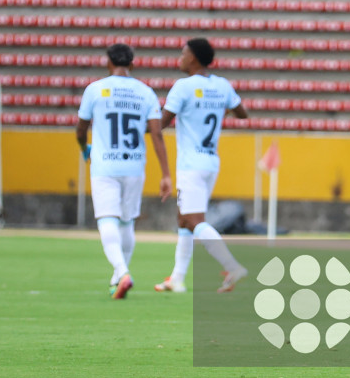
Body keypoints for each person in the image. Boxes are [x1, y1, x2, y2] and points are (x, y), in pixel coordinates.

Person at [76, 43, 173, 299]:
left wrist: (83, 148)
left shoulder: (95, 89)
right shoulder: (146, 92)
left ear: (108, 62)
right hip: (134, 165)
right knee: (127, 222)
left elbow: (81, 128)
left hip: (104, 164)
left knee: (107, 219)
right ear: (132, 64)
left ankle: (121, 271)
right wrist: (165, 173)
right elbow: (156, 134)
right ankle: (116, 278)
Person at [154, 38, 249, 294]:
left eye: (184, 53)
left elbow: (161, 123)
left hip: (190, 163)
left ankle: (232, 266)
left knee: (193, 219)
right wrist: (218, 110)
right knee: (184, 220)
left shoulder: (183, 87)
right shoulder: (221, 85)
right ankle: (176, 278)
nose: (181, 58)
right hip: (210, 162)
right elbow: (242, 113)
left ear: (194, 57)